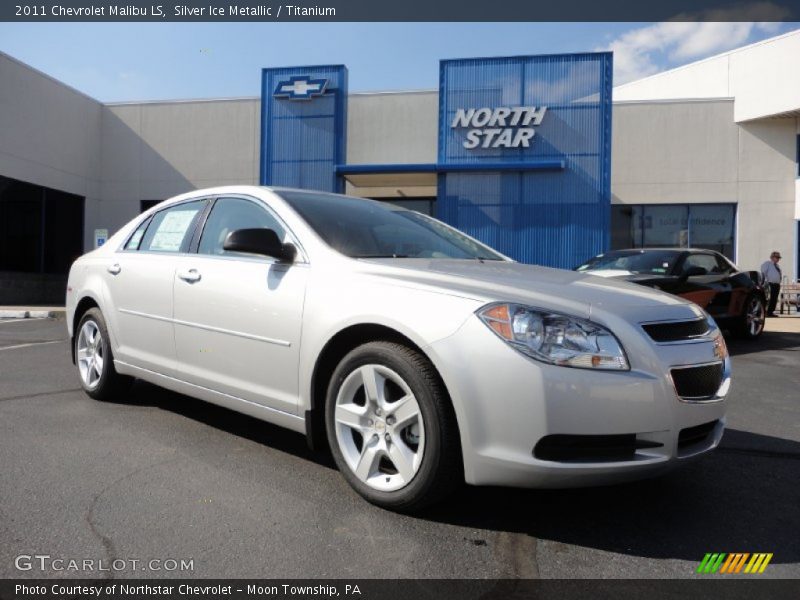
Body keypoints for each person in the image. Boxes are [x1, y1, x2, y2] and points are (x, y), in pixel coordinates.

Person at [761, 251, 783, 317]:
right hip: (770, 284)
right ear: (772, 257)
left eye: (778, 257)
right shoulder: (767, 264)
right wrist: (764, 282)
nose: (778, 259)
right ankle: (766, 312)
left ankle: (770, 312)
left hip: (776, 284)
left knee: (774, 299)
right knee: (769, 298)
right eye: (776, 257)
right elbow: (763, 273)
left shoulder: (777, 266)